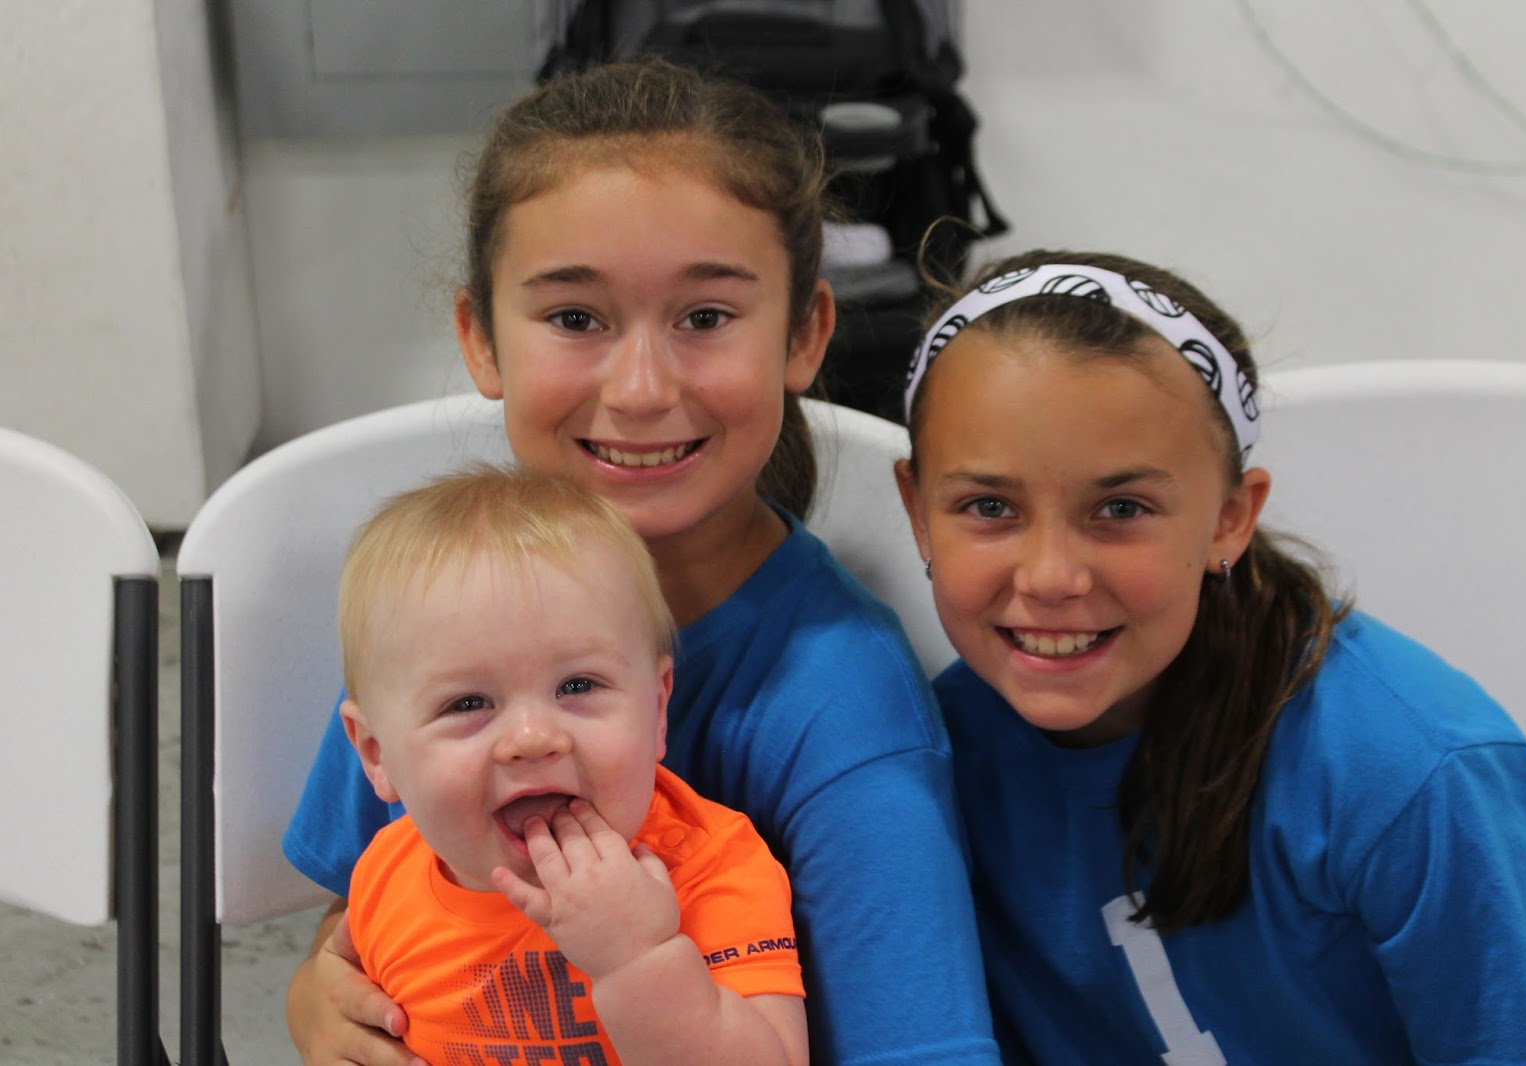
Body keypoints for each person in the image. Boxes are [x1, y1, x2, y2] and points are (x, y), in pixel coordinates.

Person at [284, 58, 997, 1066]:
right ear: (479, 339)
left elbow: (920, 1048)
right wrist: (319, 996)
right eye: (576, 319)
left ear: (804, 335)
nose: (641, 388)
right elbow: (378, 899)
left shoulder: (843, 707)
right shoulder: (441, 608)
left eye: (705, 318)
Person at [893, 250, 1526, 1065]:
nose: (1052, 578)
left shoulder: (1411, 770)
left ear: (1230, 518)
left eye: (1121, 509)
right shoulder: (920, 755)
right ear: (917, 509)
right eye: (989, 506)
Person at [334, 467, 806, 1065]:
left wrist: (637, 960)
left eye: (577, 685)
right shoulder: (385, 878)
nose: (533, 739)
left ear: (658, 710)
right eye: (468, 703)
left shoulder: (711, 871)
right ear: (376, 754)